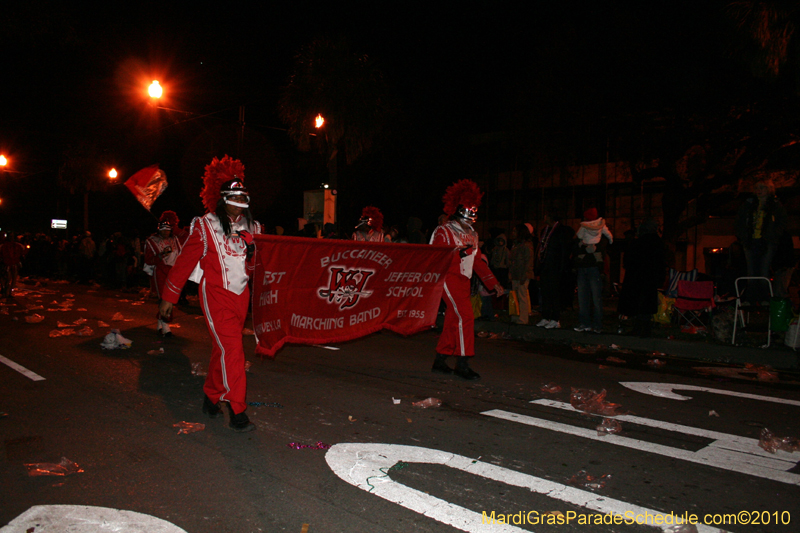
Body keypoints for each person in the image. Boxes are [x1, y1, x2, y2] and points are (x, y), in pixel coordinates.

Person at [159, 156, 262, 433]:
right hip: (215, 295)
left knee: (223, 350)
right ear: (223, 199)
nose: (239, 200)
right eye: (234, 196)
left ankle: (211, 395)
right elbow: (183, 263)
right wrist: (168, 298)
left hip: (241, 298)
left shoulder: (253, 228)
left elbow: (253, 269)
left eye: (243, 195)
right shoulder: (205, 226)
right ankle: (237, 410)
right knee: (234, 351)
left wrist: (253, 254)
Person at [430, 179, 505, 380]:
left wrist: (493, 282)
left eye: (475, 210)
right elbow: (436, 258)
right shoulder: (444, 231)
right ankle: (462, 363)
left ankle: (440, 359)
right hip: (447, 278)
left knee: (454, 319)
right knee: (466, 316)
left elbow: (478, 262)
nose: (473, 215)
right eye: (469, 210)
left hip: (464, 280)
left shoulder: (472, 233)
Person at [735, 178, 788, 304]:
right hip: (750, 241)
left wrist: (773, 236)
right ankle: (750, 298)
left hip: (767, 242)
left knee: (763, 270)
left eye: (762, 187)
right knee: (751, 271)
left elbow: (782, 222)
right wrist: (743, 236)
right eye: (756, 188)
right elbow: (739, 221)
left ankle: (764, 298)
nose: (758, 190)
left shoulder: (775, 205)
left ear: (769, 189)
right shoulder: (748, 205)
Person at [617, 219, 667, 337]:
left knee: (639, 305)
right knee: (646, 305)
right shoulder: (658, 243)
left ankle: (639, 329)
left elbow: (628, 262)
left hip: (637, 279)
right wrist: (660, 278)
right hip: (650, 279)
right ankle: (645, 329)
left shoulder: (638, 243)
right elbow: (661, 262)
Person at [574, 208, 613, 333]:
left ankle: (594, 324)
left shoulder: (585, 229)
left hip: (589, 266)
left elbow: (578, 238)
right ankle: (590, 323)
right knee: (588, 297)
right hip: (589, 265)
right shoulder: (602, 229)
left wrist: (584, 246)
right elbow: (607, 239)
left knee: (591, 297)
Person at [144, 211, 183, 336]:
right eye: (163, 229)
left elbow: (181, 255)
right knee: (164, 298)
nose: (166, 232)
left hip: (173, 272)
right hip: (160, 271)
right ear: (159, 230)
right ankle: (166, 326)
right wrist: (161, 255)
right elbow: (148, 260)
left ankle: (160, 323)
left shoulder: (175, 239)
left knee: (171, 297)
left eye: (168, 229)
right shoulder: (151, 241)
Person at [536, 209, 574, 329]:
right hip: (545, 265)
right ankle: (545, 317)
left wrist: (562, 268)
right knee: (545, 292)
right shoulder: (544, 230)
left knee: (554, 293)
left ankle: (555, 318)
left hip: (555, 267)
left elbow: (564, 251)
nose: (544, 217)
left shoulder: (561, 231)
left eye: (546, 215)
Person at [509, 223, 534, 325]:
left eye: (515, 231)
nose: (513, 233)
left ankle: (523, 318)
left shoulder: (526, 245)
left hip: (522, 274)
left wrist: (525, 274)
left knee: (522, 296)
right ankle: (516, 316)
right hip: (516, 274)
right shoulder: (516, 244)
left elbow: (528, 261)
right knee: (515, 296)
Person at [0, 232, 25, 298]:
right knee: (8, 279)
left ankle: (9, 292)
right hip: (7, 264)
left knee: (13, 279)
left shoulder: (18, 245)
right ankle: (6, 291)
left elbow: (23, 252)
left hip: (14, 263)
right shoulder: (3, 245)